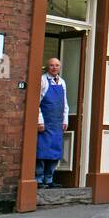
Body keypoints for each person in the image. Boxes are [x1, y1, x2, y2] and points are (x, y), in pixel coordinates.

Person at [36, 57, 69, 188]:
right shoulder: (42, 80)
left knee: (55, 152)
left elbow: (65, 103)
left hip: (57, 123)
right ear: (47, 67)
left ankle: (49, 179)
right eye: (51, 65)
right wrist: (40, 121)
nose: (54, 67)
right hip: (45, 122)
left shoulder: (62, 82)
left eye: (57, 65)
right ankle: (39, 179)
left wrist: (65, 119)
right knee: (42, 152)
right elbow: (36, 102)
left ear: (59, 68)